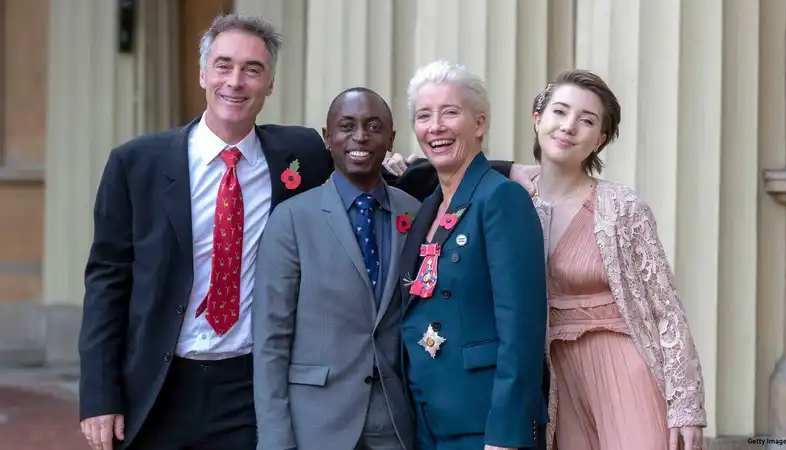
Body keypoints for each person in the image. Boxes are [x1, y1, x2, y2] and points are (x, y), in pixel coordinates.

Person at [77, 12, 534, 450]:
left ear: (270, 83)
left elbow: (391, 172)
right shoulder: (137, 163)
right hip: (161, 382)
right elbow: (107, 281)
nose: (236, 82)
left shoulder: (295, 153)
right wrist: (99, 393)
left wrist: (510, 170)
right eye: (224, 66)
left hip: (244, 384)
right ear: (203, 75)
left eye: (252, 70)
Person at [528, 69, 707, 450]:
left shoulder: (622, 207)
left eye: (587, 120)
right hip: (559, 380)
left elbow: (666, 310)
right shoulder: (512, 202)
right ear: (537, 118)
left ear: (601, 141)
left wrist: (686, 408)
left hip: (627, 369)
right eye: (560, 112)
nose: (569, 126)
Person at [252, 87, 419, 450]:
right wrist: (275, 437)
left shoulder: (415, 214)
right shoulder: (291, 220)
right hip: (316, 423)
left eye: (373, 126)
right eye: (347, 126)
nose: (360, 136)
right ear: (328, 138)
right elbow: (271, 340)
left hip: (395, 422)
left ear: (391, 139)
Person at [398, 60, 548, 450]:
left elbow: (522, 330)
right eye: (424, 116)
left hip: (484, 426)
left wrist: (506, 434)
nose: (436, 127)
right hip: (428, 419)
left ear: (479, 123)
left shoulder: (501, 198)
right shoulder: (428, 206)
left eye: (450, 112)